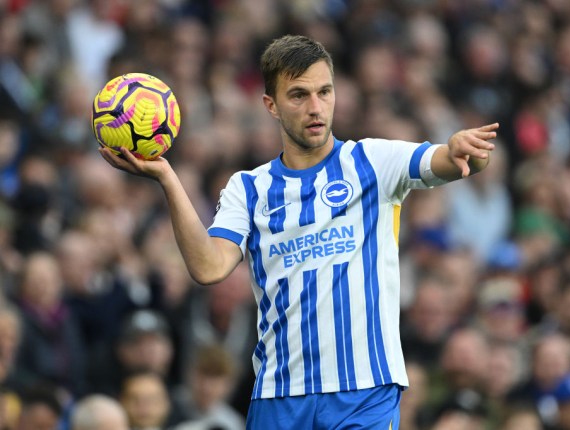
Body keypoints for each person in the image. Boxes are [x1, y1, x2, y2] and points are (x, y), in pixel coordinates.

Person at [99, 34, 498, 429]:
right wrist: (168, 179)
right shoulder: (248, 188)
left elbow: (449, 160)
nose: (315, 107)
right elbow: (208, 267)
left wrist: (469, 152)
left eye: (325, 92)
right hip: (280, 393)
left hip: (366, 389)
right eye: (299, 95)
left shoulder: (374, 161)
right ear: (271, 105)